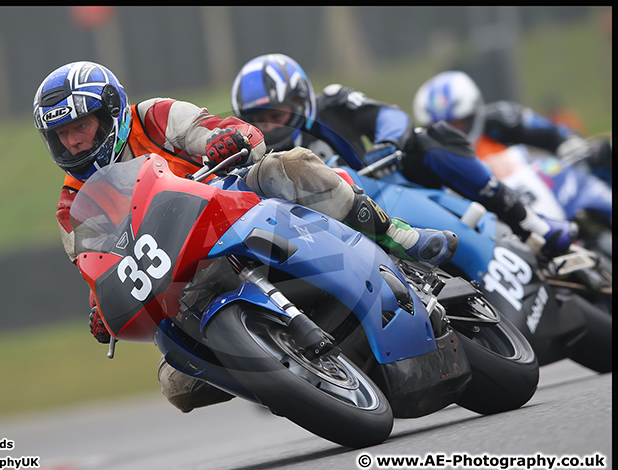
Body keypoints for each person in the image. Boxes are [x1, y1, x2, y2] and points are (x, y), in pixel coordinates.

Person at [33, 61, 458, 413]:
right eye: (61, 135)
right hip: (183, 277)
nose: (73, 142)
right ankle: (284, 374)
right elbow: (100, 270)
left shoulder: (155, 117)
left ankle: (395, 236)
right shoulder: (71, 207)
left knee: (288, 166)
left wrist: (226, 140)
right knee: (178, 385)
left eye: (81, 126)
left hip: (230, 205)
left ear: (110, 113)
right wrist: (101, 309)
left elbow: (230, 131)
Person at [230, 54, 580, 257]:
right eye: (259, 119)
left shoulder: (333, 102)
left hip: (385, 182)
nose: (272, 126)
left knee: (430, 140)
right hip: (333, 231)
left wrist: (387, 142)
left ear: (301, 99)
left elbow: (390, 116)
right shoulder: (258, 158)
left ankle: (527, 221)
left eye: (278, 114)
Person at [412, 70, 612, 186]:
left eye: (458, 122)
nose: (452, 131)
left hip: (549, 186)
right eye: (441, 127)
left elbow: (553, 134)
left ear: (475, 112)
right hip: (508, 221)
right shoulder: (432, 160)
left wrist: (568, 142)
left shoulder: (503, 119)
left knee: (603, 153)